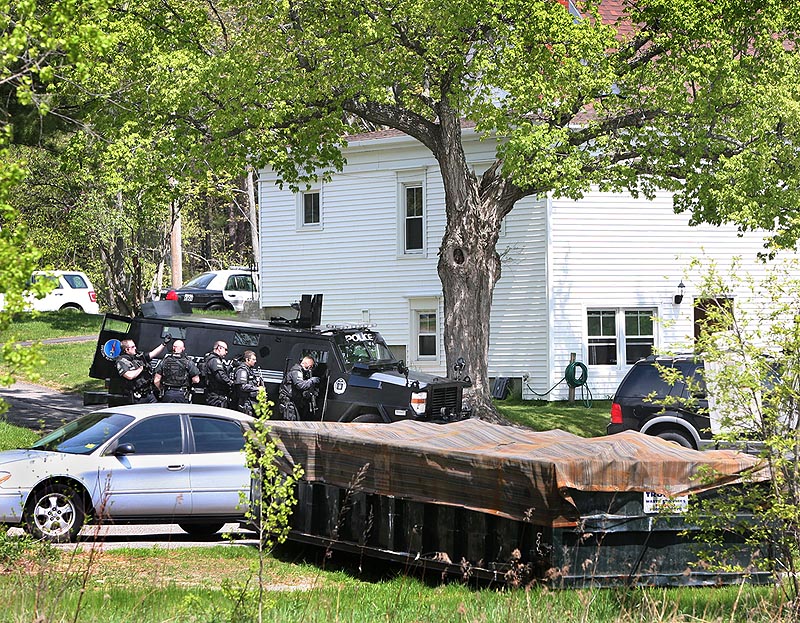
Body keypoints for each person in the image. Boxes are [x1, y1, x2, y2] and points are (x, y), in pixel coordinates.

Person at [115, 337, 169, 404]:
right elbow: (129, 376)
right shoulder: (122, 361)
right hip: (137, 396)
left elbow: (152, 354)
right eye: (133, 347)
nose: (135, 348)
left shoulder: (138, 356)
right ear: (126, 350)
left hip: (148, 393)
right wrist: (141, 368)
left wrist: (164, 344)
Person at [279, 355, 320, 421]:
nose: (310, 368)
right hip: (289, 403)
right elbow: (300, 385)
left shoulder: (301, 372)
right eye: (310, 366)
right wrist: (311, 381)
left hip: (293, 402)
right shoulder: (296, 371)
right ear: (306, 364)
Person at [202, 340, 233, 408]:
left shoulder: (212, 359)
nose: (226, 352)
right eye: (225, 349)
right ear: (219, 348)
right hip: (216, 396)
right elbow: (220, 376)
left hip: (213, 394)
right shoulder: (215, 360)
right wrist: (231, 384)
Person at [232, 350, 262, 416]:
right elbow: (243, 386)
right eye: (253, 359)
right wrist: (257, 388)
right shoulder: (242, 370)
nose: (255, 361)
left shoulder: (249, 370)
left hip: (250, 402)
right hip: (244, 402)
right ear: (247, 359)